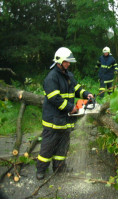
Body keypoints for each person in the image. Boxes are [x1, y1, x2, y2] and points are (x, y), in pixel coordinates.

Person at [36, 47, 93, 180]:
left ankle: (59, 167)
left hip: (65, 119)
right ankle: (41, 170)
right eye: (66, 61)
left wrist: (86, 94)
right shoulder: (51, 78)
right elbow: (55, 99)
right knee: (48, 147)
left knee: (63, 145)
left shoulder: (68, 75)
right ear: (59, 61)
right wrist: (71, 108)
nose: (68, 64)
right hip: (53, 120)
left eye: (69, 62)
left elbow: (76, 88)